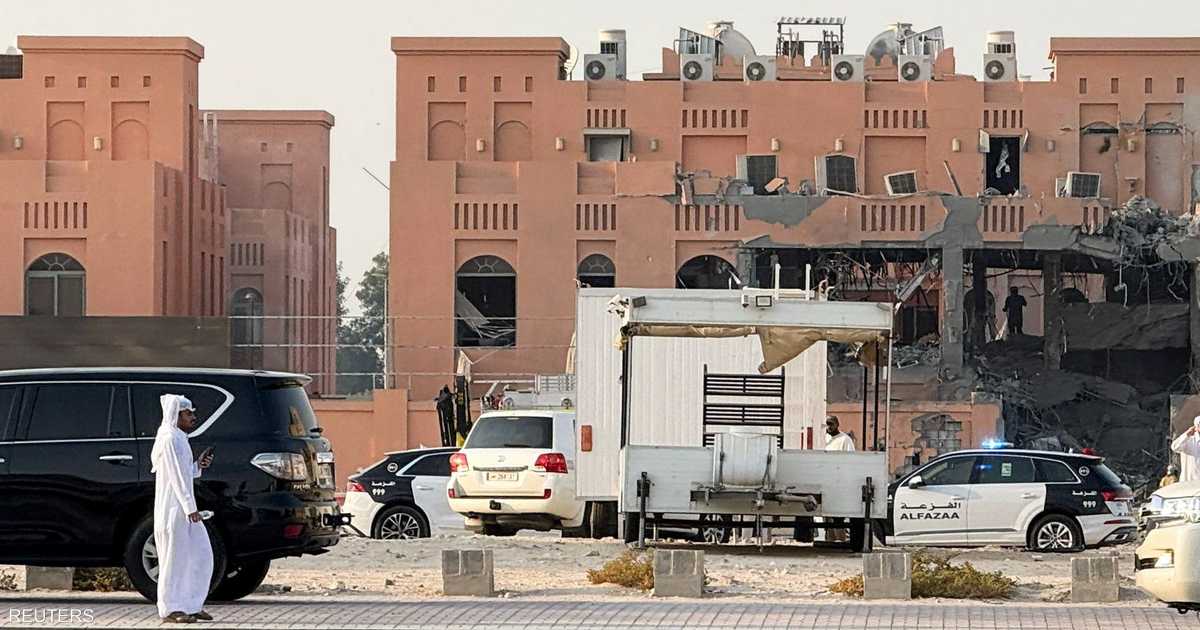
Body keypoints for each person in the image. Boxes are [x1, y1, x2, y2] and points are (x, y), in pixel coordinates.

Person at [151, 394, 215, 624]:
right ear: (176, 415)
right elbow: (176, 478)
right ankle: (170, 608)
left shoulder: (179, 438)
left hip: (184, 509)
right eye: (188, 413)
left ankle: (191, 604)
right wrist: (190, 507)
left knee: (199, 555)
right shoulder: (169, 438)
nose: (193, 417)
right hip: (174, 510)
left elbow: (184, 472)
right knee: (174, 559)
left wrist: (198, 466)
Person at [823, 415, 855, 543]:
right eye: (826, 424)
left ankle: (840, 540)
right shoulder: (824, 439)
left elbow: (850, 461)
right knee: (827, 515)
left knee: (838, 515)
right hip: (826, 481)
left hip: (839, 482)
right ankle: (830, 540)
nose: (828, 427)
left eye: (830, 424)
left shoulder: (845, 440)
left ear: (837, 424)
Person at [1171, 416, 1200, 483]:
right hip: (1189, 482)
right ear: (1196, 427)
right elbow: (1174, 447)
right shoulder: (1188, 440)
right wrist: (1186, 434)